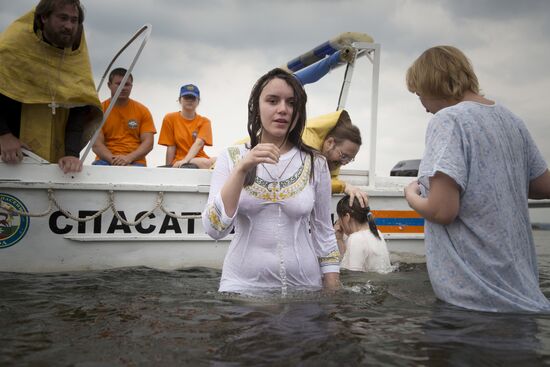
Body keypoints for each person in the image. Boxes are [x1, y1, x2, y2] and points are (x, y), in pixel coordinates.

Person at [404, 45, 550, 313]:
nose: (423, 106)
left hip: (473, 293)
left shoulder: (448, 120)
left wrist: (411, 195)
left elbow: (442, 210)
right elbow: (543, 186)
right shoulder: (512, 120)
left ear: (432, 82)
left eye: (419, 94)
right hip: (522, 290)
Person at [201, 68, 341, 295]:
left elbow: (324, 232)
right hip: (241, 289)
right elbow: (214, 229)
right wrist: (242, 169)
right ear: (256, 106)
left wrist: (333, 289)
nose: (283, 110)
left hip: (305, 290)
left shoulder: (316, 163)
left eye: (292, 103)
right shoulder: (232, 157)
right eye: (273, 101)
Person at [0, 0, 102, 173]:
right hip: (8, 152)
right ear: (44, 17)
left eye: (74, 20)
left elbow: (80, 106)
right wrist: (4, 135)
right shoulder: (13, 45)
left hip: (54, 160)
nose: (69, 26)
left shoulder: (75, 54)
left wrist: (71, 153)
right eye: (63, 18)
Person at [302, 110, 368, 207]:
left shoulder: (332, 158)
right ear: (330, 143)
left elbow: (330, 179)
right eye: (344, 156)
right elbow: (311, 181)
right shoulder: (306, 144)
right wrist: (344, 186)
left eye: (350, 159)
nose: (344, 163)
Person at [92, 68, 156, 166]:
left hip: (136, 162)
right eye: (118, 84)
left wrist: (129, 158)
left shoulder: (143, 110)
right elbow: (96, 144)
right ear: (109, 85)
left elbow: (148, 143)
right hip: (105, 161)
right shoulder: (99, 111)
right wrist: (114, 160)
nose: (123, 88)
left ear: (131, 86)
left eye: (127, 84)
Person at [158, 84, 215, 169]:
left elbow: (199, 143)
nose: (189, 100)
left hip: (198, 159)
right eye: (186, 97)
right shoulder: (170, 118)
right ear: (180, 100)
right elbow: (171, 146)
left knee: (219, 159)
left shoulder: (205, 121)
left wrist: (186, 160)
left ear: (198, 101)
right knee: (208, 162)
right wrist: (169, 168)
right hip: (180, 161)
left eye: (193, 98)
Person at [334, 195, 393, 273]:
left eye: (339, 218)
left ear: (347, 217)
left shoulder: (355, 238)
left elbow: (353, 276)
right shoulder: (376, 232)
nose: (338, 222)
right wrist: (339, 239)